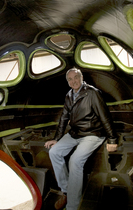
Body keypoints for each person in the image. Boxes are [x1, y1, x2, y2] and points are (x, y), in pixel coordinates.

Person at [44, 67, 118, 210]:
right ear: (68, 82)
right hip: (75, 133)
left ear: (81, 77)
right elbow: (64, 117)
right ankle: (67, 191)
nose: (73, 81)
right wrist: (57, 139)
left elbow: (105, 115)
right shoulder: (68, 95)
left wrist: (112, 139)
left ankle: (73, 206)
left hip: (93, 133)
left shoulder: (92, 93)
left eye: (76, 77)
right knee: (54, 152)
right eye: (70, 79)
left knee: (75, 161)